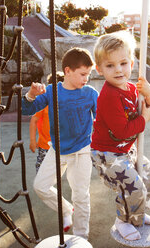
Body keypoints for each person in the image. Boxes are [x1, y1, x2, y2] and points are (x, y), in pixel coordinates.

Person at [22, 47, 98, 240]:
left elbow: (100, 119)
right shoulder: (51, 91)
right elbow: (27, 109)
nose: (86, 78)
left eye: (88, 74)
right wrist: (31, 94)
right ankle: (66, 209)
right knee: (40, 186)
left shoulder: (90, 93)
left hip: (82, 150)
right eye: (82, 74)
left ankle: (82, 237)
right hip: (57, 150)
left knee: (81, 195)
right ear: (67, 71)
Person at [91, 31, 150, 241]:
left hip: (126, 150)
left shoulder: (132, 88)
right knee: (132, 185)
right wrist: (145, 119)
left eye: (123, 63)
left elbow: (146, 109)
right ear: (99, 69)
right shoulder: (109, 96)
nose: (118, 69)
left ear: (131, 62)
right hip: (107, 154)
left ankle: (138, 213)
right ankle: (122, 220)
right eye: (110, 65)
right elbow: (123, 130)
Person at [29, 72, 64, 173]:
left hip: (62, 145)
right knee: (41, 172)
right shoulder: (44, 102)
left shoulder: (66, 102)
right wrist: (32, 141)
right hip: (45, 146)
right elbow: (34, 121)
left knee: (57, 171)